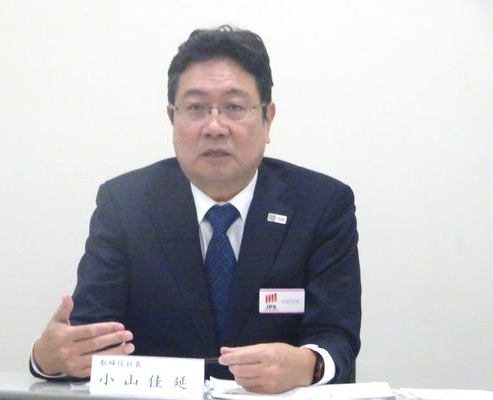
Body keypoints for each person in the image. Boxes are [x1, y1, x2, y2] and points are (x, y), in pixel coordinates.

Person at [30, 25, 361, 394]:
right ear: (172, 118)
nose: (214, 127)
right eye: (195, 108)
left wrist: (310, 364)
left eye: (234, 107)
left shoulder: (321, 205)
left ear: (267, 119)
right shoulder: (124, 205)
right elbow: (89, 338)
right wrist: (47, 359)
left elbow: (337, 339)